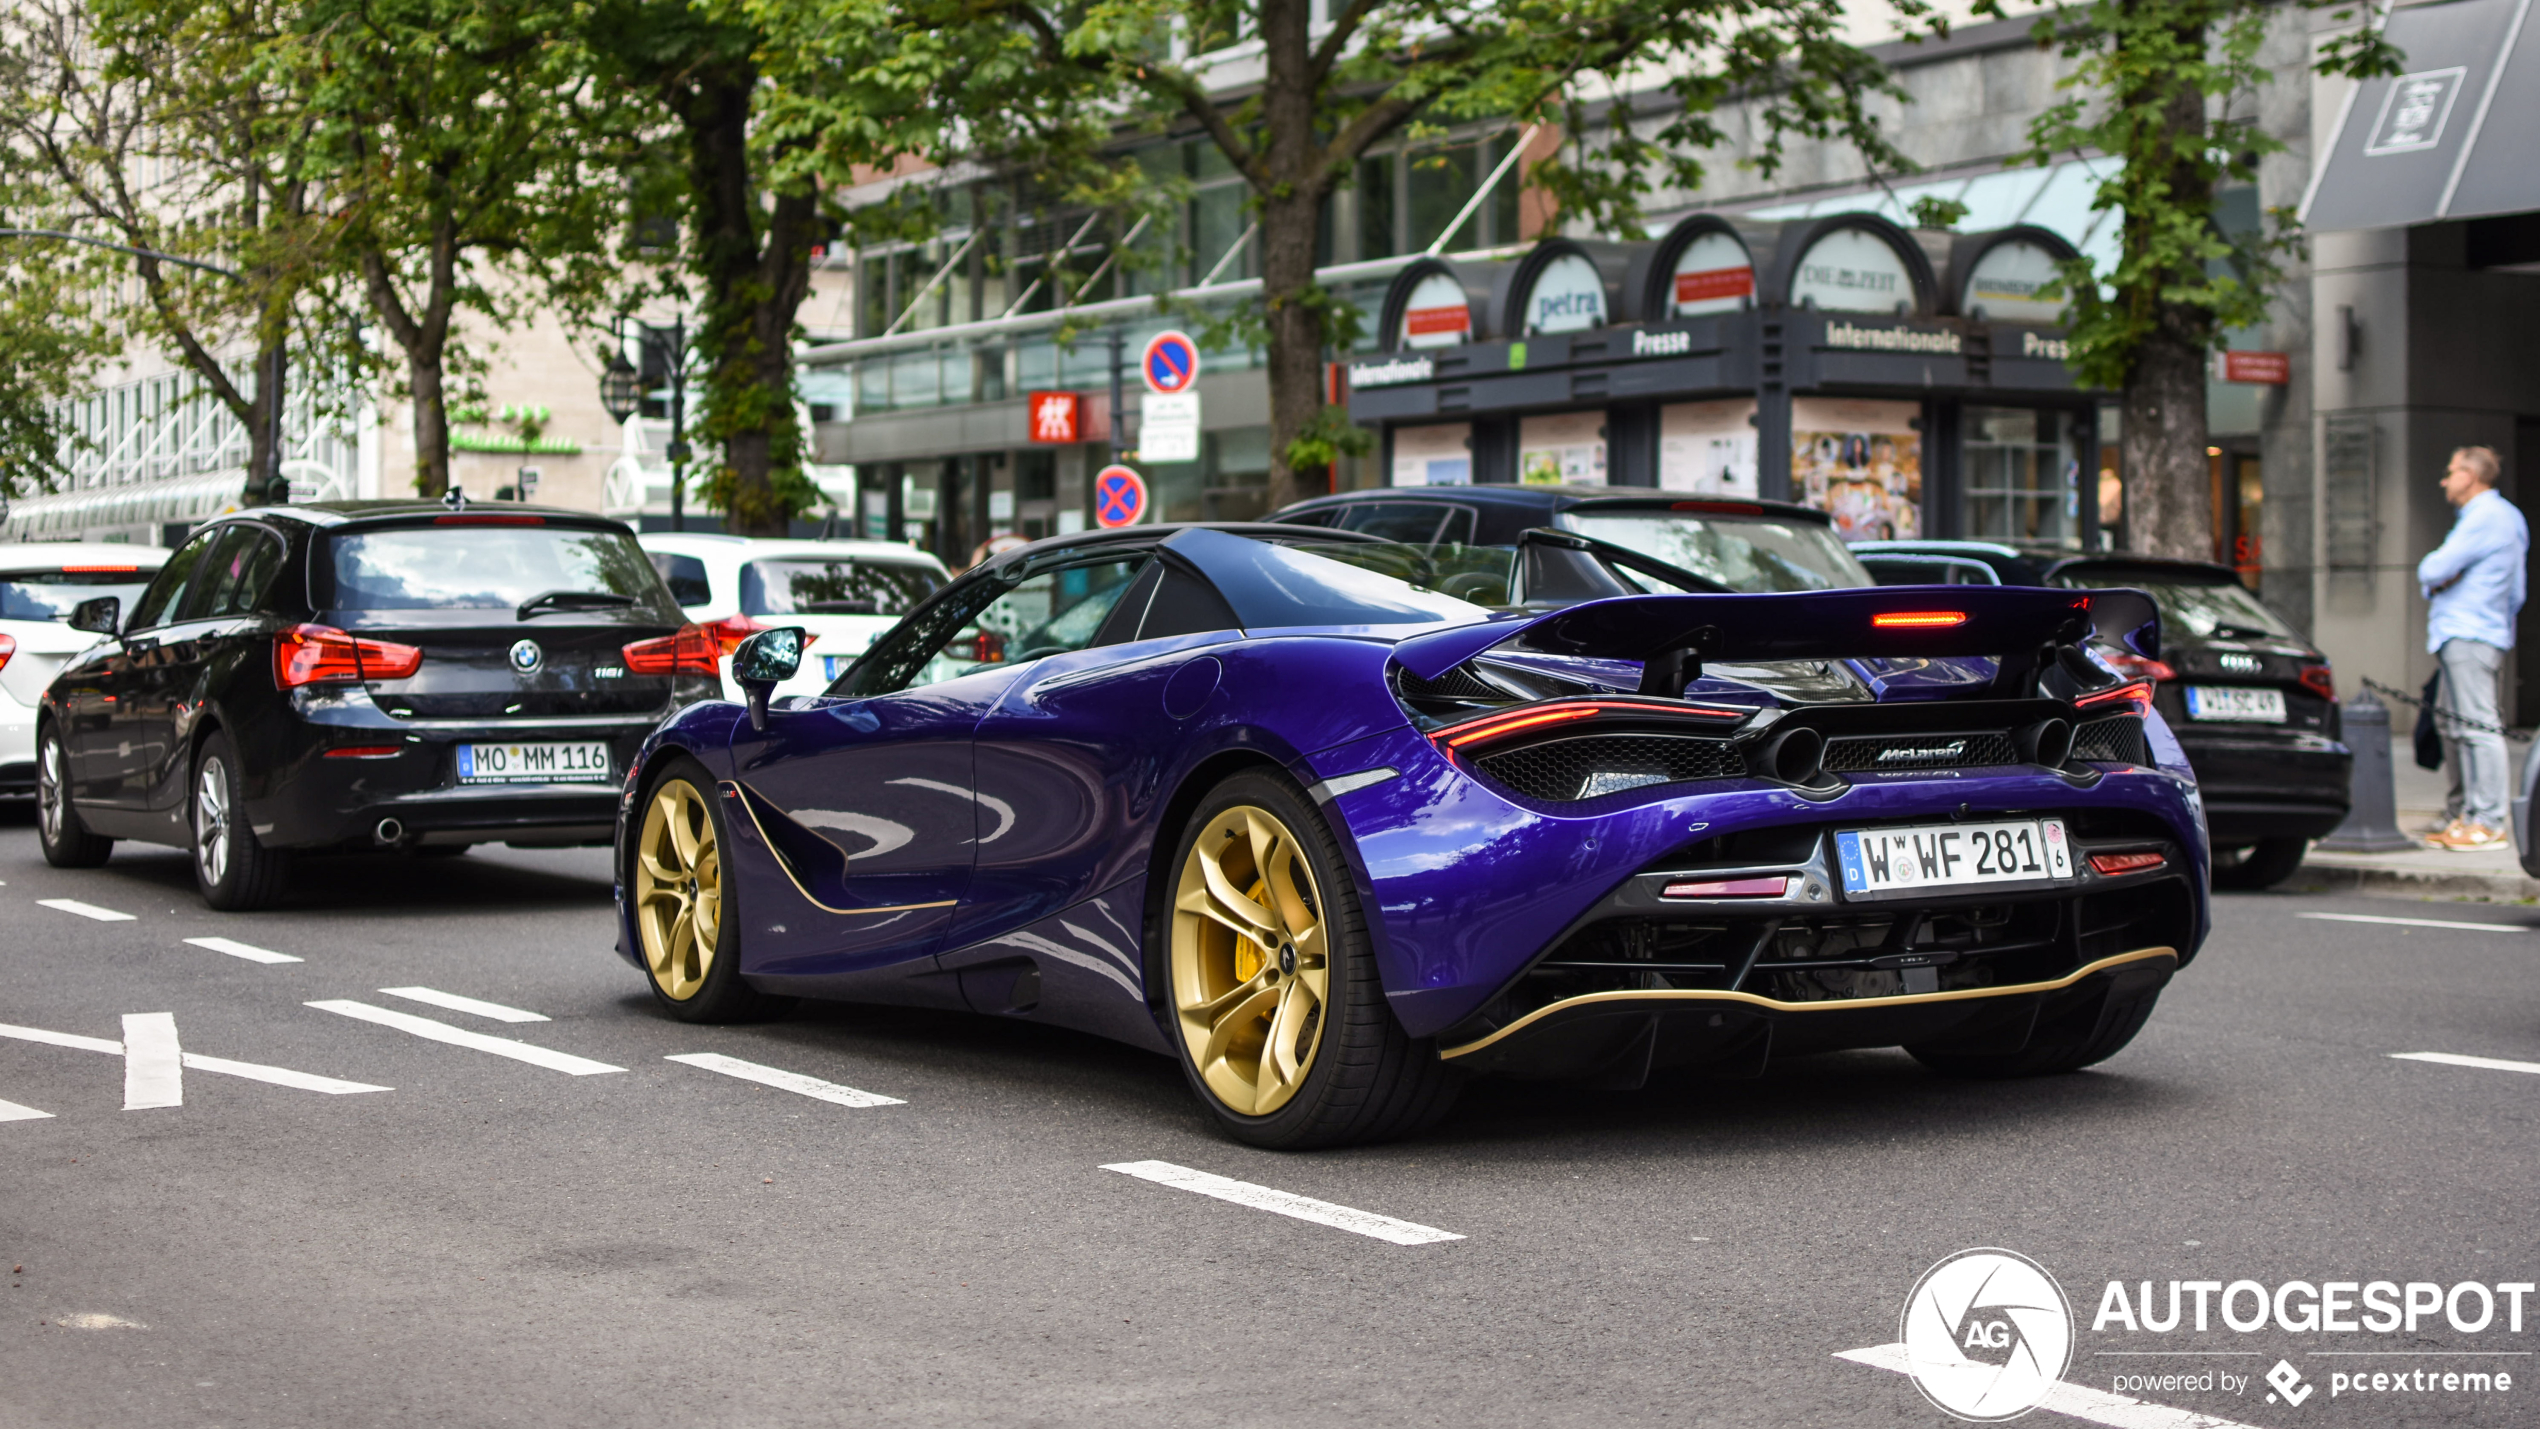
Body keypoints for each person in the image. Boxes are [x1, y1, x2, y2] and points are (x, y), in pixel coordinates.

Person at [2418, 446, 2527, 851]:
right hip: (2474, 630)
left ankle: (2487, 821)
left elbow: (2432, 569)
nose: (2445, 481)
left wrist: (2440, 579)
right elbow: (2515, 593)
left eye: (2450, 472)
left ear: (2470, 474)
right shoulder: (2499, 518)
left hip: (2470, 631)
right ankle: (2466, 814)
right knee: (2455, 724)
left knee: (2478, 727)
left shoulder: (2486, 517)